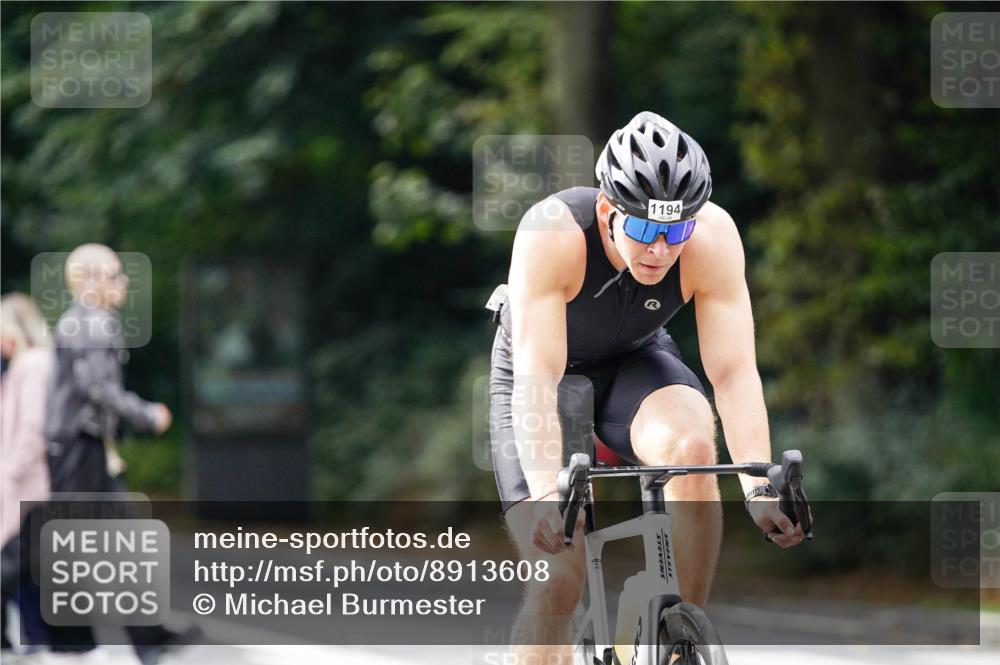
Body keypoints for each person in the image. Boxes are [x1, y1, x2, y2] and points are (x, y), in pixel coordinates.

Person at [488, 111, 811, 663]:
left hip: (633, 360)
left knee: (691, 446)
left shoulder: (712, 238)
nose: (660, 249)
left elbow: (732, 373)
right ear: (610, 212)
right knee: (558, 576)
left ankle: (679, 637)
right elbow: (538, 377)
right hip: (541, 376)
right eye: (643, 229)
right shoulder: (554, 233)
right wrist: (546, 493)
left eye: (675, 231)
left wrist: (758, 486)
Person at [42, 244, 184, 664]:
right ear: (90, 280)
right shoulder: (90, 324)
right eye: (116, 275)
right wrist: (148, 414)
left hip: (85, 448)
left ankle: (146, 637)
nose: (123, 283)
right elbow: (99, 390)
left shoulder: (87, 322)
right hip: (77, 450)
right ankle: (73, 646)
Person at [1, 293, 53, 658]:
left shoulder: (32, 364)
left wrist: (11, 470)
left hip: (27, 484)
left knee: (17, 563)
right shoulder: (23, 363)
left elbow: (32, 427)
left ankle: (42, 638)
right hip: (22, 483)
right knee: (29, 567)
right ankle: (37, 637)